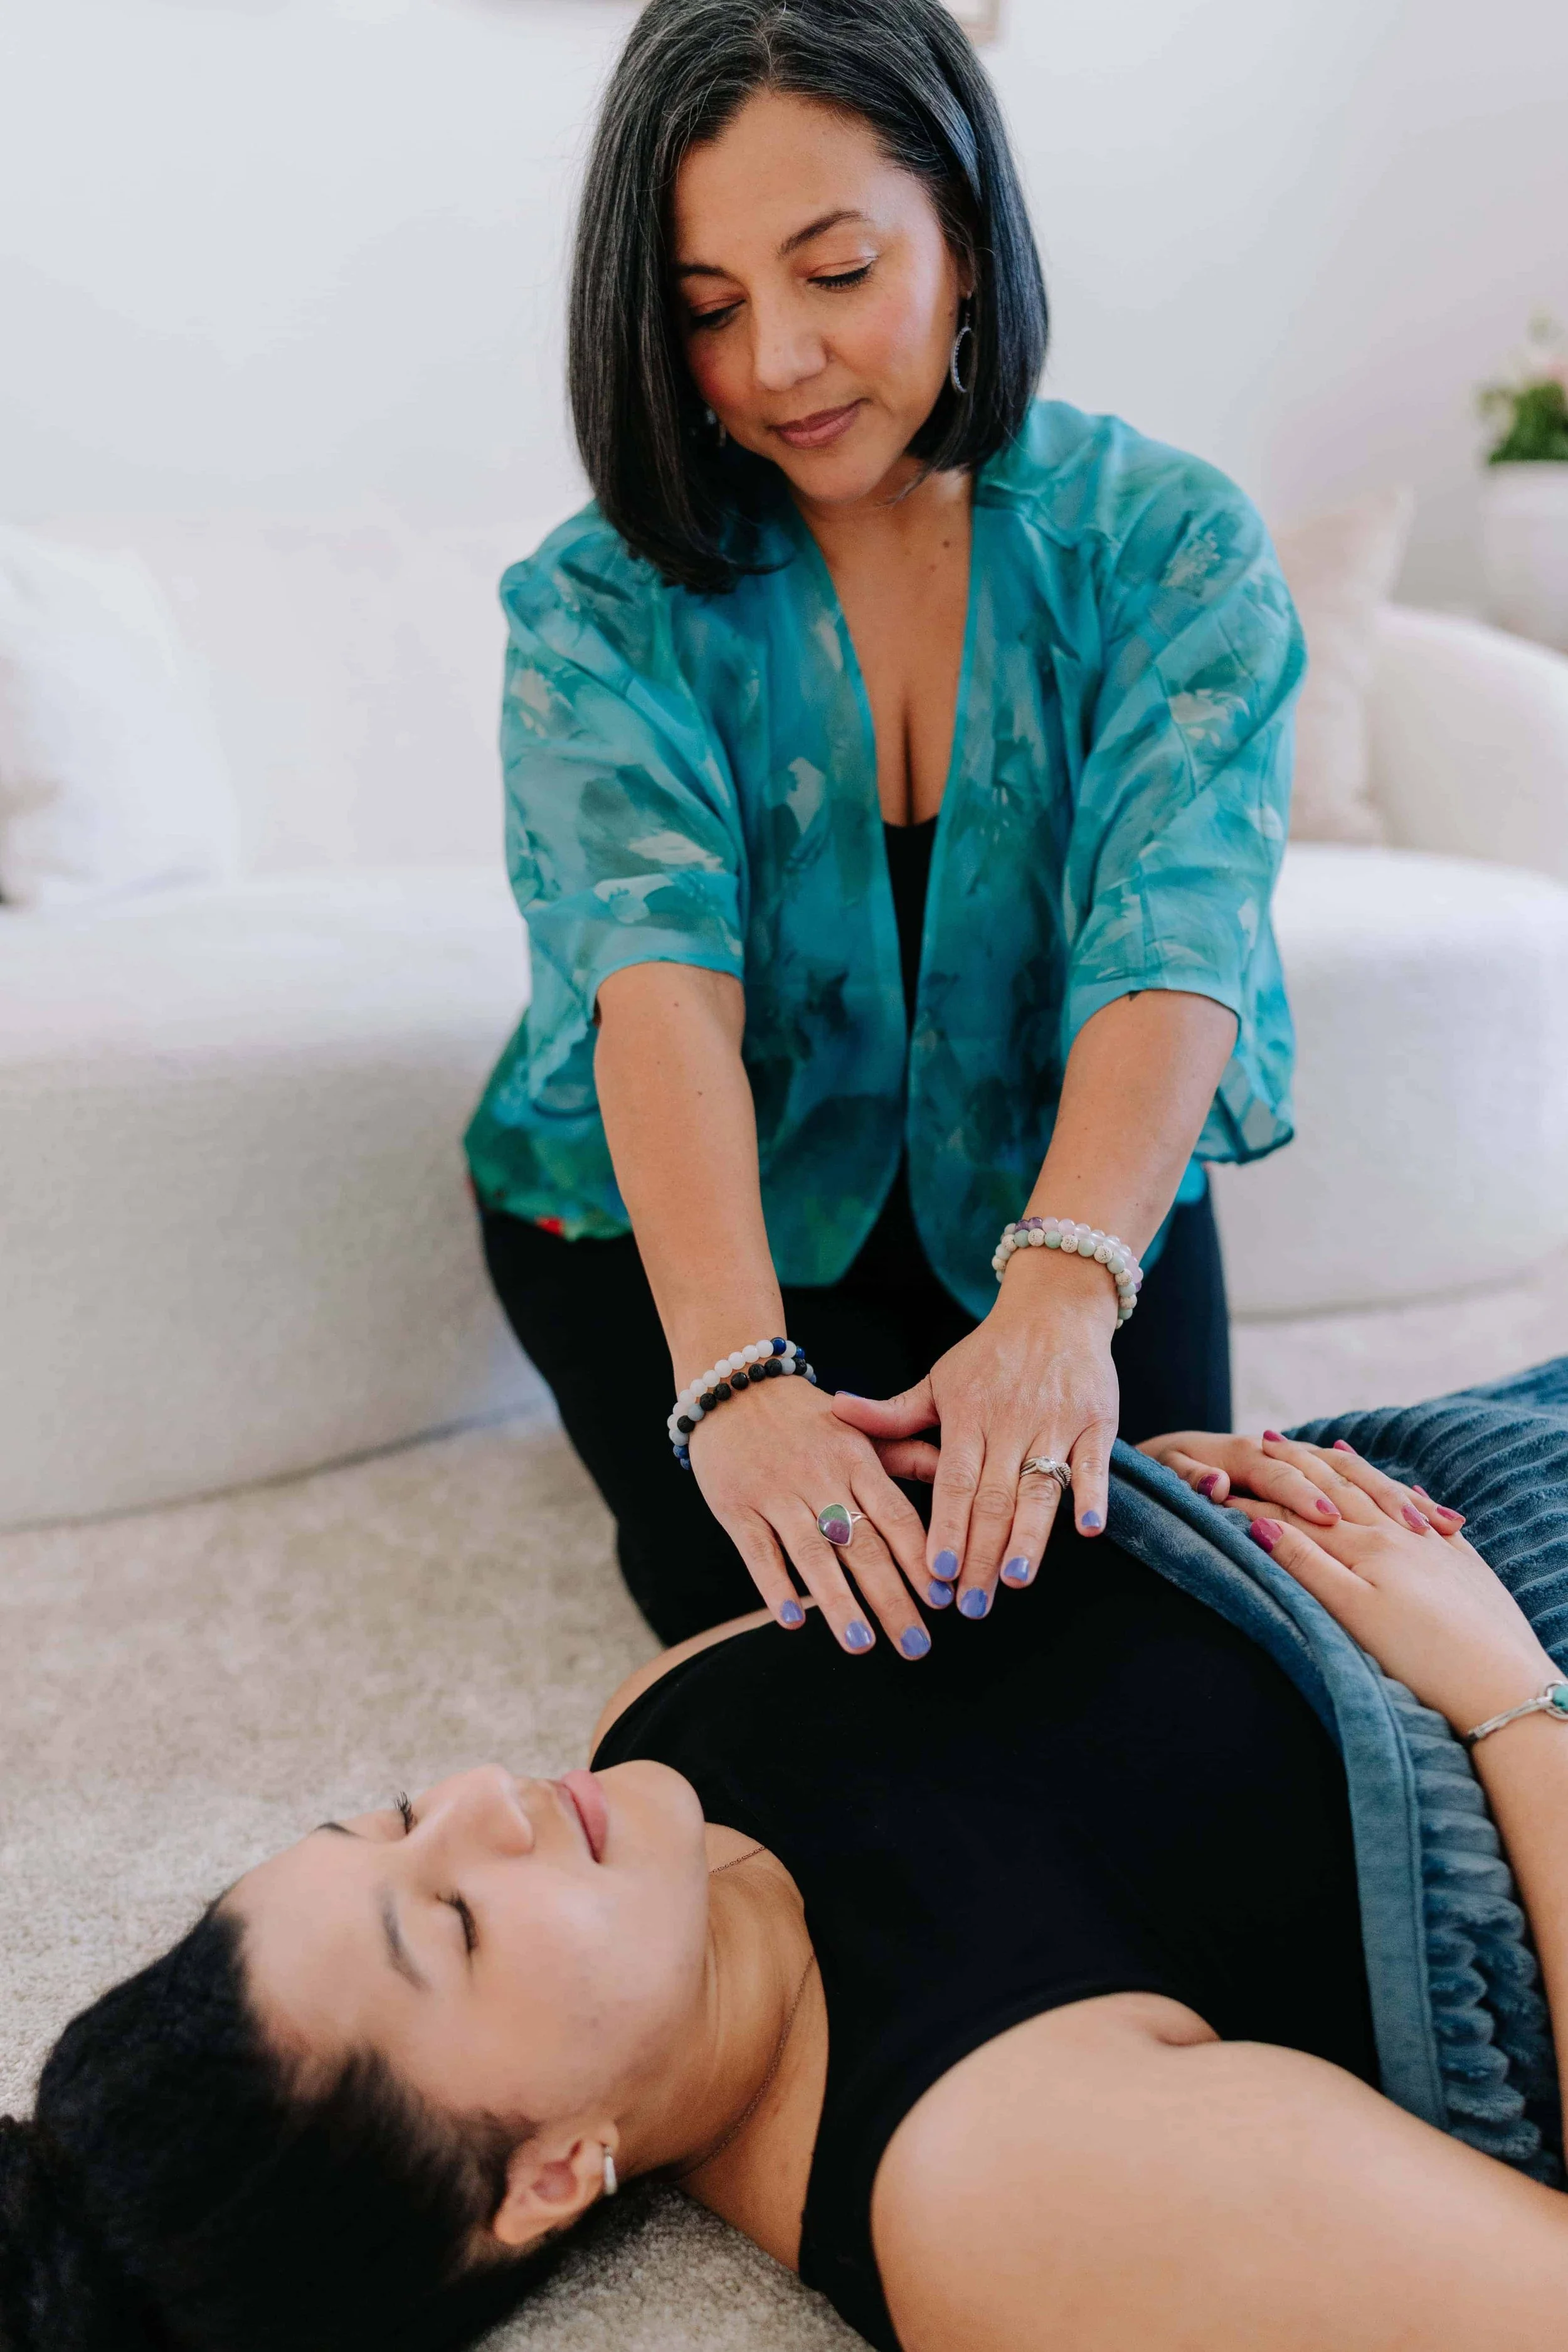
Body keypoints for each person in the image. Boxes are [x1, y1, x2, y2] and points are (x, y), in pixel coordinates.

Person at [9, 1397, 1568, 2352]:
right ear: (549, 2175)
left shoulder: (663, 1728)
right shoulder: (1002, 2195)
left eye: (394, 1815)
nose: (486, 1798)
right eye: (458, 1925)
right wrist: (1505, 1698)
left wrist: (1126, 1479)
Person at [465, 0, 1305, 1651]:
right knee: (818, 1656)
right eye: (708, 310)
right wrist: (731, 1378)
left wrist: (1063, 1297)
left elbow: (1172, 930)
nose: (777, 359)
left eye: (835, 272)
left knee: (1159, 1629)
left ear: (970, 240)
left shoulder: (1171, 546)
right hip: (675, 1218)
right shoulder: (594, 601)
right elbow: (656, 987)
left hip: (1052, 1188)